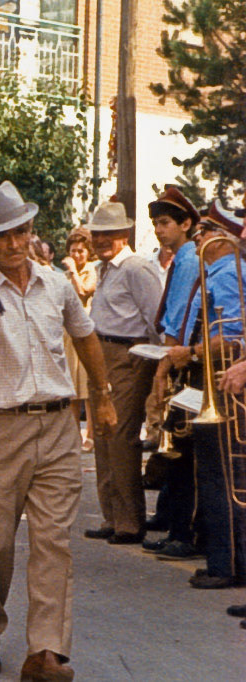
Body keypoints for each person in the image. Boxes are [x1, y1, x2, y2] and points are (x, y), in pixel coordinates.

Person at [0, 181, 116, 681]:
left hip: (57, 426)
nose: (14, 243)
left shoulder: (56, 283)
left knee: (53, 543)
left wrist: (103, 395)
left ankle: (47, 651)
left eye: (21, 232)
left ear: (31, 231)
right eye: (2, 235)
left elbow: (85, 337)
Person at [161, 202, 245, 589]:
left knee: (222, 475)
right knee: (213, 473)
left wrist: (191, 353)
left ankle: (227, 563)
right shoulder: (216, 272)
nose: (199, 239)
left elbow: (231, 336)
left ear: (221, 237)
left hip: (224, 380)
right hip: (211, 376)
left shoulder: (229, 273)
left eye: (205, 232)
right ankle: (223, 558)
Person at [84, 201, 163, 545]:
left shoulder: (136, 268)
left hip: (128, 354)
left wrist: (158, 365)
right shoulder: (106, 268)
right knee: (103, 436)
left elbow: (155, 320)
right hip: (101, 351)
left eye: (109, 234)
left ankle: (130, 522)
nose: (101, 240)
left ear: (125, 234)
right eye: (97, 234)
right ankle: (112, 517)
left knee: (120, 436)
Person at [143, 185, 201, 560]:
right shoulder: (181, 258)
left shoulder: (191, 260)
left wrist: (163, 368)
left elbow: (182, 317)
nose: (158, 230)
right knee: (177, 448)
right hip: (177, 354)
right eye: (156, 224)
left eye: (165, 223)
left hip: (184, 360)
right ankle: (173, 521)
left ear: (185, 224)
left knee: (182, 450)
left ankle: (184, 531)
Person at [61, 227, 97, 451]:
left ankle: (90, 435)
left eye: (80, 251)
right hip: (68, 334)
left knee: (88, 387)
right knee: (72, 388)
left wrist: (74, 271)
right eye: (73, 251)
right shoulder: (65, 276)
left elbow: (84, 292)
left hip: (86, 330)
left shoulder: (91, 270)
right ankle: (74, 435)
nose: (76, 255)